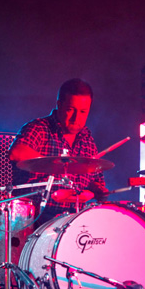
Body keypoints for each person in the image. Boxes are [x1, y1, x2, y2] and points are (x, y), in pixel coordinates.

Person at [9, 78, 109, 226]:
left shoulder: (87, 140)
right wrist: (55, 164)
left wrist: (97, 190)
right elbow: (16, 153)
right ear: (59, 105)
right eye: (70, 110)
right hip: (33, 219)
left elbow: (96, 181)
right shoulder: (40, 128)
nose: (76, 118)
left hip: (73, 221)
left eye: (83, 112)